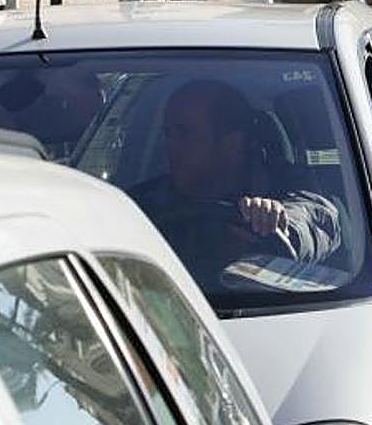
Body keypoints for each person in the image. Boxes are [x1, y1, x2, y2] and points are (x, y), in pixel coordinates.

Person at [132, 80, 341, 288]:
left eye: (184, 133)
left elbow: (318, 217)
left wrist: (280, 226)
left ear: (231, 143)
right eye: (168, 134)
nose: (170, 145)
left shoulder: (287, 184)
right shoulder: (141, 207)